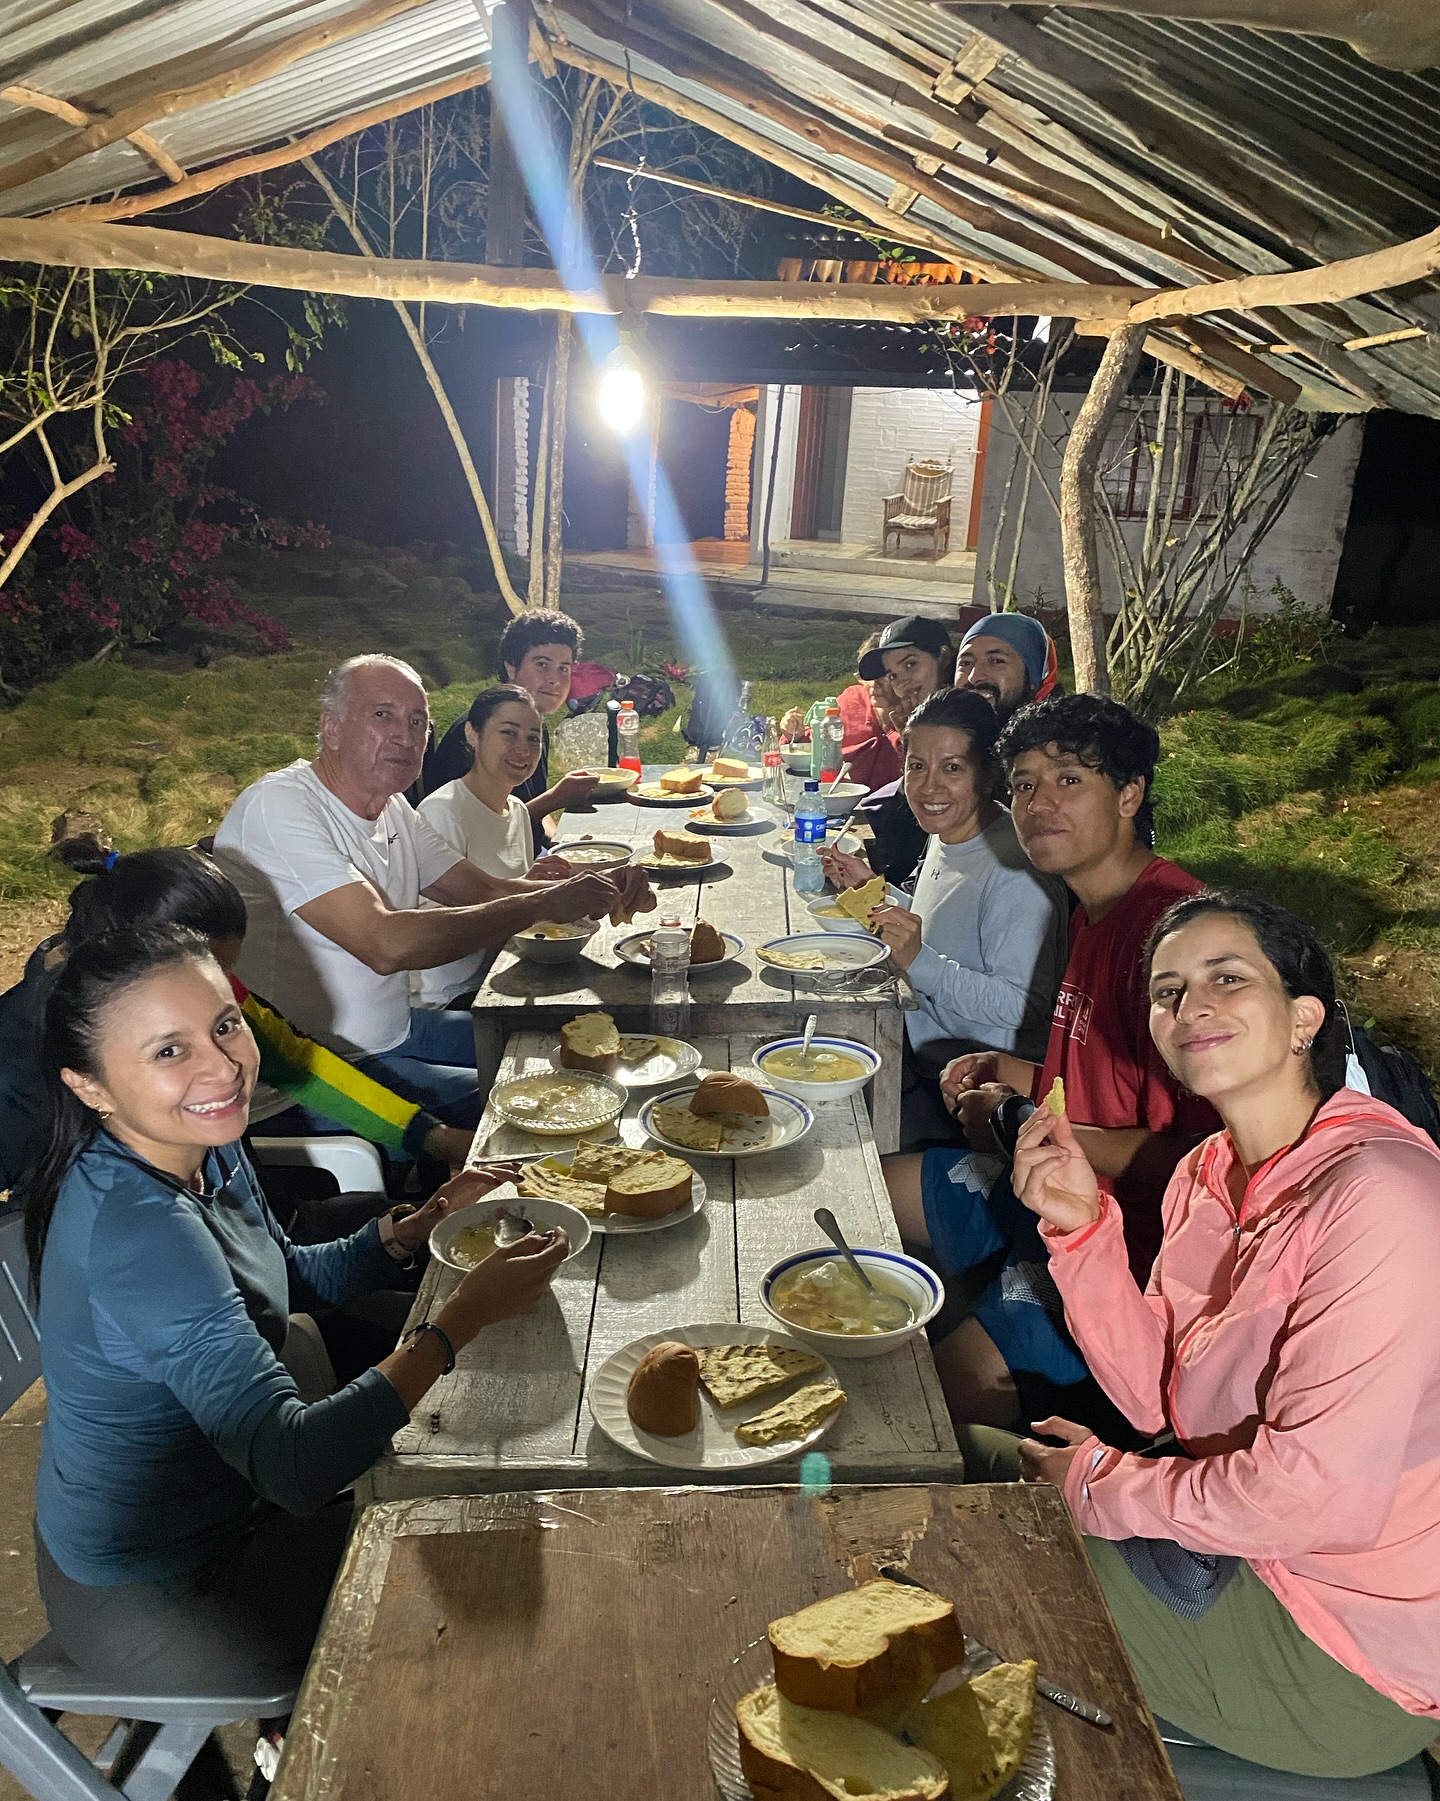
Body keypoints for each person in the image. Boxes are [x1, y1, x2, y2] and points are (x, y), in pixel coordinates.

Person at [18, 923, 569, 1689]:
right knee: (497, 1563)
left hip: (232, 1503)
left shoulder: (203, 1139)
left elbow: (280, 1280)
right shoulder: (139, 1230)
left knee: (488, 1476)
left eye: (224, 1024)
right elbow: (296, 1465)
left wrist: (414, 1226)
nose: (222, 1066)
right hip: (174, 1590)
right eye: (168, 1050)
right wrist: (458, 1322)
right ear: (90, 1084)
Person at [1008, 893, 1440, 1778]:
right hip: (1244, 1559)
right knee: (974, 1478)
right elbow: (1156, 1396)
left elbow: (1311, 1499)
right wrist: (1081, 1230)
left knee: (970, 1541)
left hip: (1341, 1654)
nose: (1188, 1007)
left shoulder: (1384, 1195)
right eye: (1168, 991)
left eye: (1227, 979)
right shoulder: (1209, 1172)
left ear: (1303, 1018)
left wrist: (1101, 1484)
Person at [884, 693, 1218, 1438]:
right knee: (865, 1194)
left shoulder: (1175, 940)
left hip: (1126, 1252)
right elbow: (1096, 1083)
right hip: (1047, 1184)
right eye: (1026, 783)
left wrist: (1025, 1122)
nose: (1039, 803)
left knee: (920, 1408)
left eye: (1069, 780)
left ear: (1129, 793)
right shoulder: (1089, 911)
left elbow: (1208, 1163)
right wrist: (1012, 1069)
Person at [213, 655, 652, 1125]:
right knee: (546, 1100)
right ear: (333, 727)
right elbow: (385, 944)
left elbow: (485, 890)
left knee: (567, 1047)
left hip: (397, 1032)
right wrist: (545, 902)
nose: (405, 736)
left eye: (417, 721)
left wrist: (593, 884)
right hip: (314, 1075)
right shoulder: (279, 807)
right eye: (382, 715)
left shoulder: (393, 807)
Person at [0, 842, 474, 1196]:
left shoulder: (189, 985)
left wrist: (426, 1136)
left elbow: (297, 1063)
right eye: (169, 1051)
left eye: (228, 971)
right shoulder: (24, 1057)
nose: (226, 1068)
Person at [819, 688, 1067, 1149]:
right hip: (912, 1039)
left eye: (952, 768)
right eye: (917, 767)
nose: (929, 787)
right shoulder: (952, 832)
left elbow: (1023, 1008)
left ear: (988, 775)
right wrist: (873, 891)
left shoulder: (1016, 875)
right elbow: (944, 927)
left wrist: (919, 961)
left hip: (959, 1083)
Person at [421, 610, 600, 850]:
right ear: (511, 667)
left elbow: (530, 808)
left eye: (563, 668)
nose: (555, 680)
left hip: (529, 857)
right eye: (542, 664)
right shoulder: (480, 732)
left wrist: (563, 846)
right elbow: (488, 828)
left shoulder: (534, 728)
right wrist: (557, 797)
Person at [414, 685, 543, 1009]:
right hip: (453, 996)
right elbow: (437, 933)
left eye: (533, 738)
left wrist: (537, 881)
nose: (522, 749)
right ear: (473, 734)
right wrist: (542, 897)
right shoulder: (443, 811)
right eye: (508, 733)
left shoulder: (517, 811)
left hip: (504, 974)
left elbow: (514, 901)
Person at [851, 616, 958, 884]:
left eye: (911, 664)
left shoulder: (961, 721)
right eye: (893, 675)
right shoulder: (918, 719)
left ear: (943, 658)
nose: (903, 682)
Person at [781, 631, 904, 794]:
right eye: (866, 676)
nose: (874, 684)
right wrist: (793, 733)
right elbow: (811, 744)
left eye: (884, 677)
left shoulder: (917, 717)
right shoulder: (852, 701)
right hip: (838, 800)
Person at [954, 612, 1059, 724]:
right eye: (966, 663)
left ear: (1033, 681)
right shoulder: (938, 734)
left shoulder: (1057, 739)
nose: (974, 677)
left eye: (996, 661)